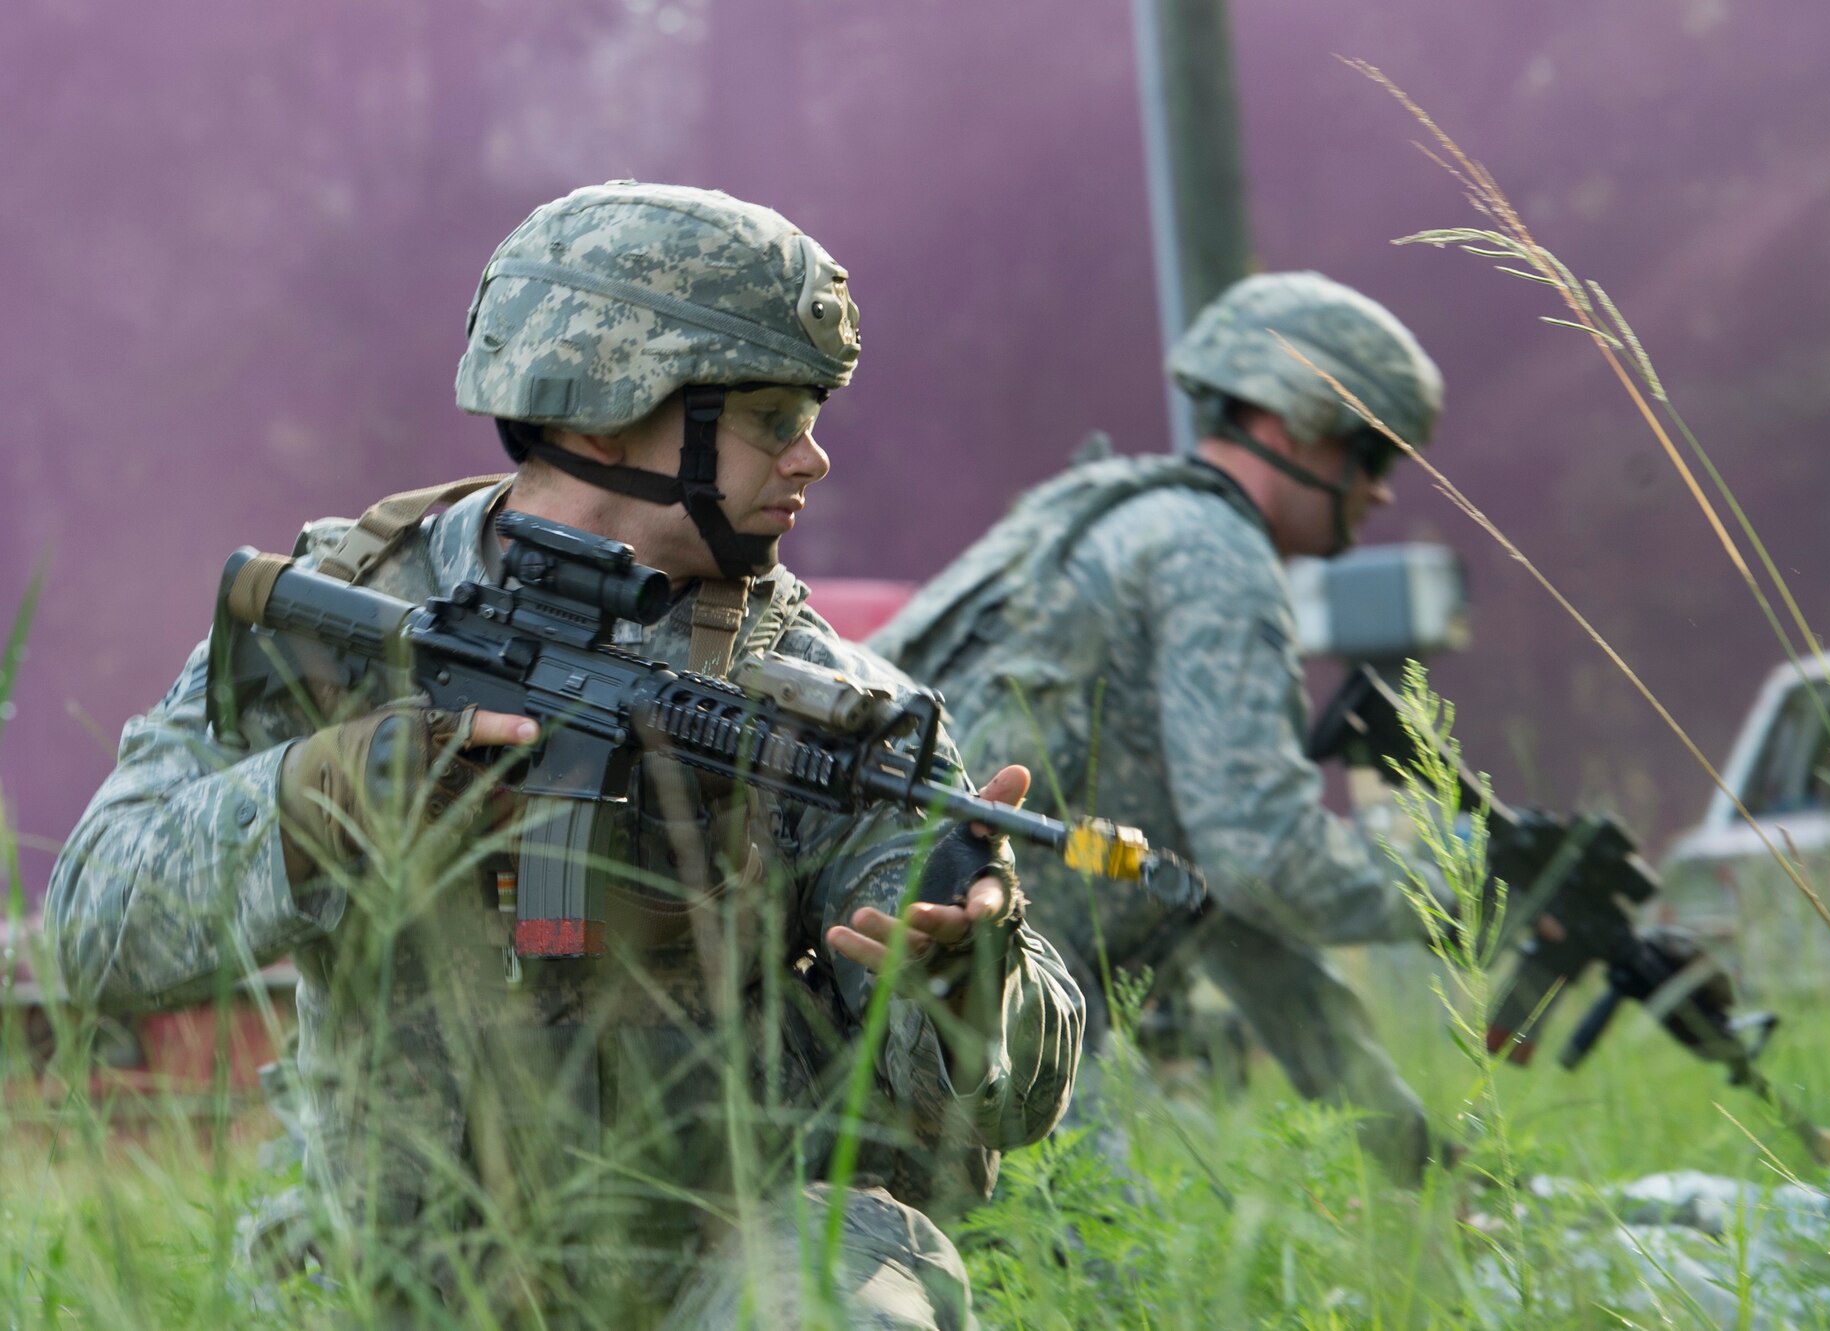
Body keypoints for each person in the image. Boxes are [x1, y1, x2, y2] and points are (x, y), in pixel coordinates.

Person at [45, 181, 1083, 1326]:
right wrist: (320, 794)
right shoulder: (344, 613)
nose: (811, 458)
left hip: (732, 1255)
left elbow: (1005, 1103)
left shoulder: (841, 714)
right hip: (397, 1258)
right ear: (607, 411)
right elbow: (94, 925)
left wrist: (965, 989)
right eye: (772, 416)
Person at [870, 272, 1449, 1182]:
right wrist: (1466, 888)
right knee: (1091, 1280)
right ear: (1291, 423)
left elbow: (1212, 893)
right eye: (1372, 455)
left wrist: (1410, 1151)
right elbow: (1272, 858)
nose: (1381, 493)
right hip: (974, 994)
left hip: (907, 971)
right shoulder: (1219, 557)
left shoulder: (1106, 507)